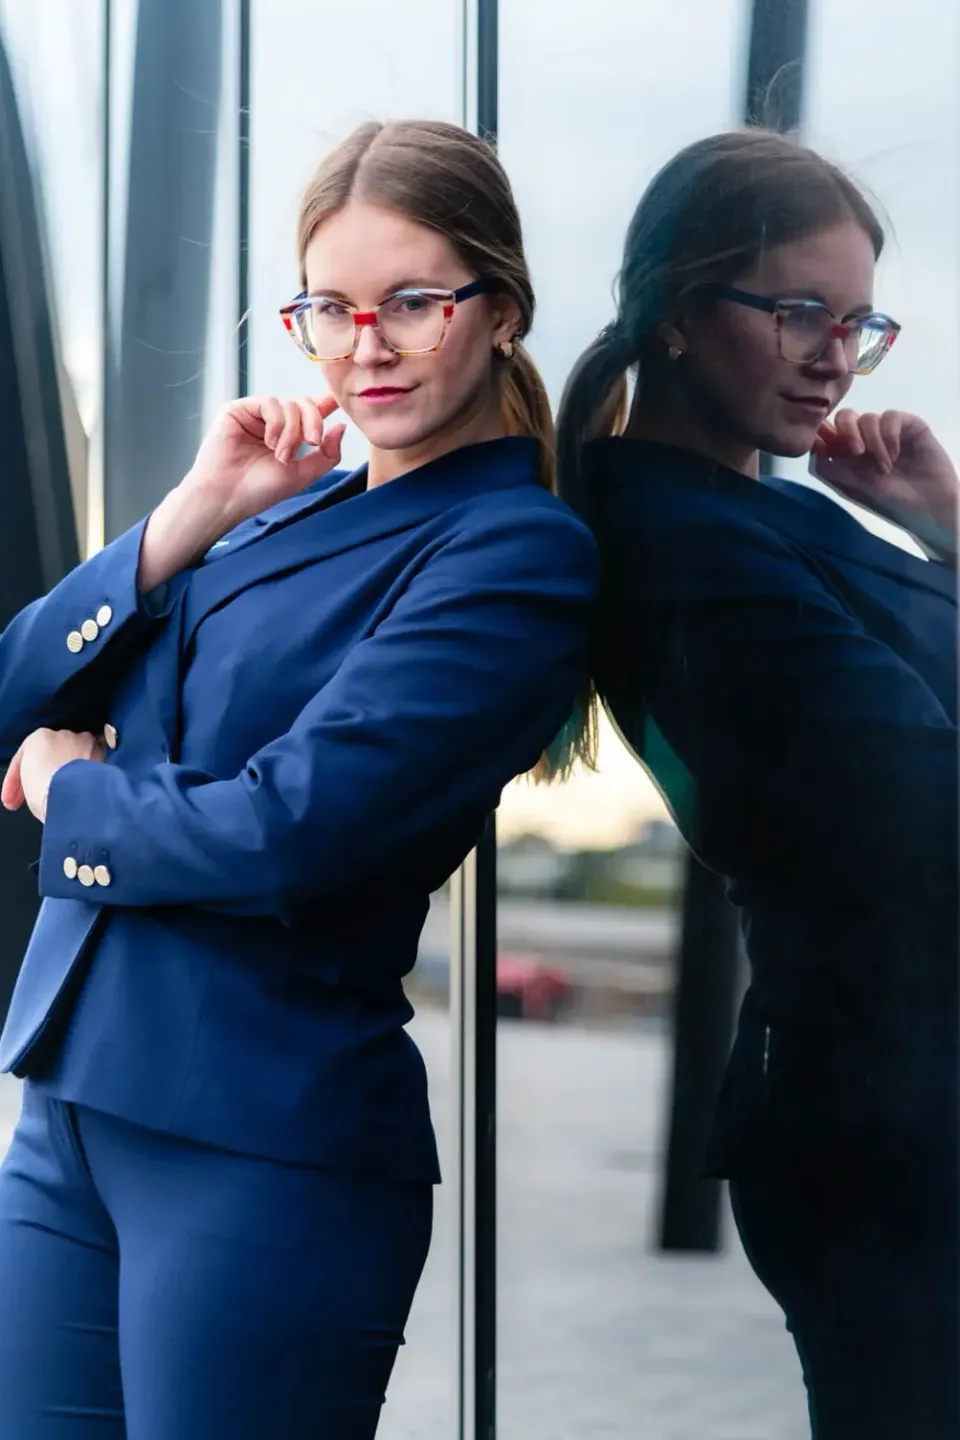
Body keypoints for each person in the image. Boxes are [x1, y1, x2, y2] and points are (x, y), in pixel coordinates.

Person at [0, 118, 598, 1439]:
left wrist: (67, 792)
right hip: (74, 1111)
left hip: (261, 1144)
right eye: (330, 306)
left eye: (413, 303)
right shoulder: (272, 511)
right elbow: (13, 689)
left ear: (498, 311)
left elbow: (284, 832)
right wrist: (188, 516)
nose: (363, 344)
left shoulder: (512, 551)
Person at [556, 129, 958, 1438]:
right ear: (678, 312)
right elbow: (920, 798)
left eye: (858, 322)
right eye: (797, 311)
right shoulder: (674, 540)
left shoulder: (786, 514)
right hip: (891, 1136)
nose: (835, 355)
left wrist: (946, 529)